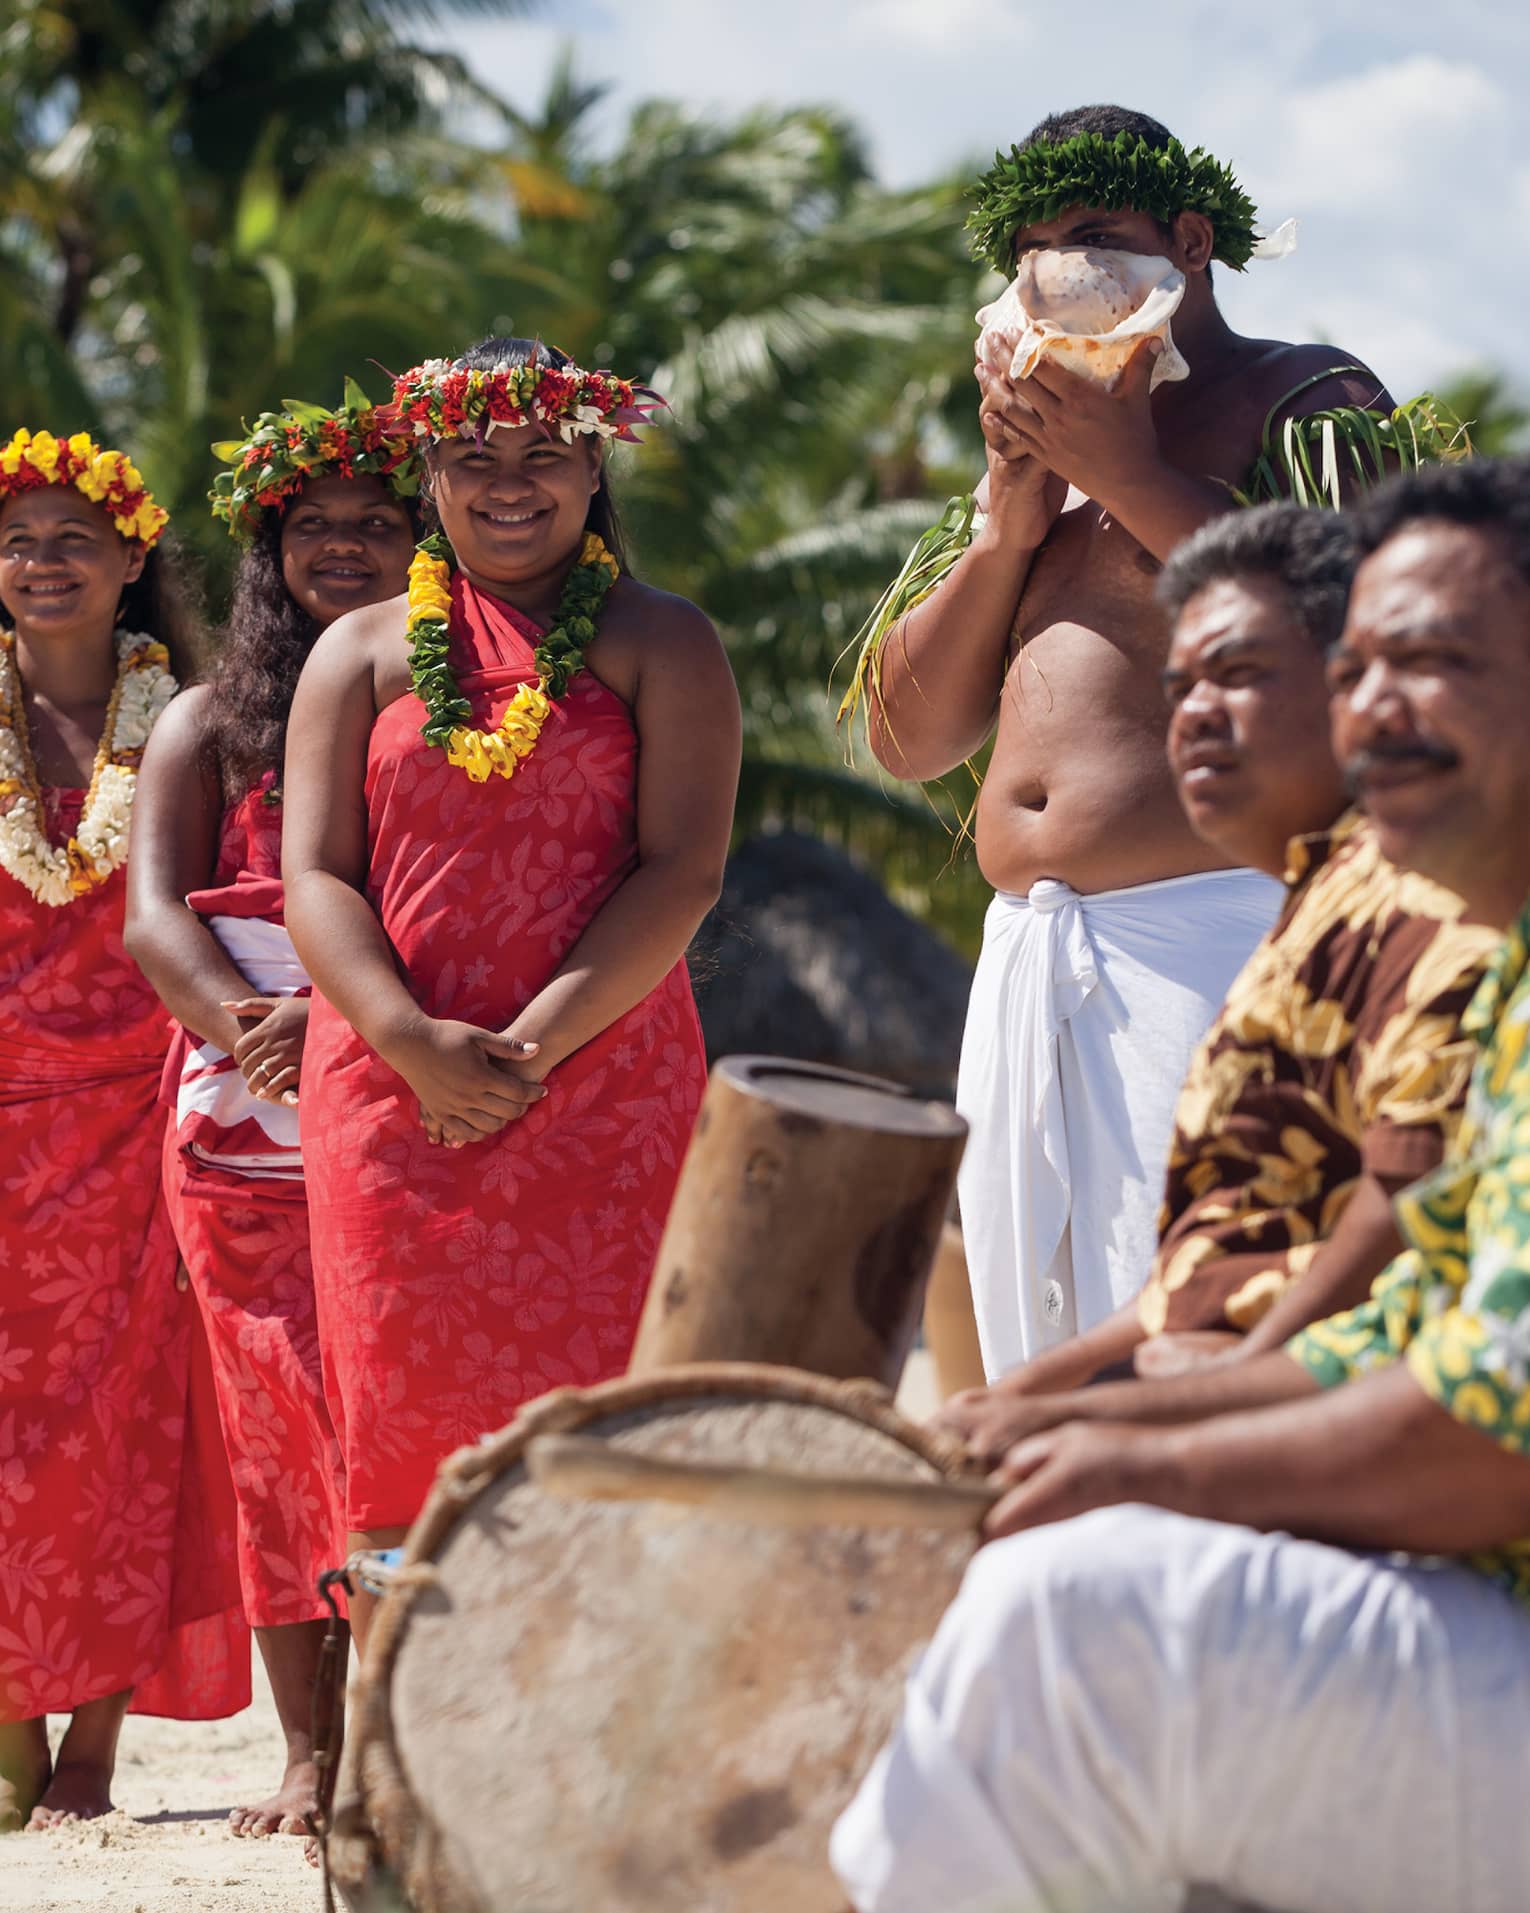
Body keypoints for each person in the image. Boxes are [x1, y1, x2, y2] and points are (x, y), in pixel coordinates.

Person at [831, 458, 1530, 1913]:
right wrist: (1055, 1420)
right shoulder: (1442, 926)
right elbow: (1344, 1323)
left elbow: (1486, 1429)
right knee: (1038, 1570)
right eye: (1369, 665)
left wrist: (1134, 1452)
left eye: (1438, 662)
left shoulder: (1436, 930)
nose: (1379, 708)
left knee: (1061, 1609)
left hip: (1479, 1590)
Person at [862, 104, 1394, 1380]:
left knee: (1199, 1328)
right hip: (1031, 960)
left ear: (1191, 242)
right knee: (1035, 1349)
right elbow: (909, 739)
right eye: (1033, 245)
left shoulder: (1304, 394)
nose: (1056, 272)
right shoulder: (1028, 444)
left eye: (1095, 235)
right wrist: (1006, 528)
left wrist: (1129, 468)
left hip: (1220, 931)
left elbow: (1355, 656)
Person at [282, 338, 740, 1634]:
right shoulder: (360, 653)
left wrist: (530, 1050)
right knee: (395, 1420)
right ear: (425, 473)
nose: (508, 484)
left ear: (596, 464)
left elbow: (683, 869)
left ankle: (584, 1773)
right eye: (472, 457)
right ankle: (403, 1780)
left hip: (603, 1085)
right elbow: (315, 874)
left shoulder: (666, 641)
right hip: (390, 1093)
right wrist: (407, 1038)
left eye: (543, 453)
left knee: (602, 1419)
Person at [940, 505, 1497, 1460]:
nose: (1192, 713)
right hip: (1271, 1406)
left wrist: (1128, 1438)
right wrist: (1027, 1402)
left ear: (1350, 690)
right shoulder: (1312, 925)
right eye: (1180, 682)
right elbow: (1203, 1268)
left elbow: (1396, 1306)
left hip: (1403, 1450)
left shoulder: (1439, 924)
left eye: (1235, 675)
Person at [123, 391, 419, 1837]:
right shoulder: (200, 722)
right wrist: (254, 1036)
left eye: (380, 523)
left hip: (402, 1085)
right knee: (271, 1430)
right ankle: (305, 1753)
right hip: (238, 1109)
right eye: (316, 527)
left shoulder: (449, 705)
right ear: (269, 546)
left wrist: (349, 1024)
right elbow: (153, 922)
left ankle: (393, 1744)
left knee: (383, 1419)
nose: (347, 548)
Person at [0, 429, 248, 1832]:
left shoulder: (196, 722)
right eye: (21, 540)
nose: (43, 562)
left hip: (137, 1116)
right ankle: (8, 1733)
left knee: (130, 1427)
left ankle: (91, 1748)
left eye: (72, 539)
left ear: (133, 559)